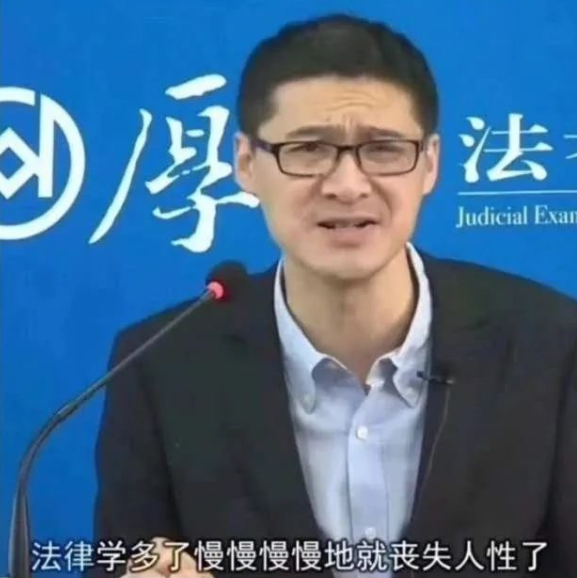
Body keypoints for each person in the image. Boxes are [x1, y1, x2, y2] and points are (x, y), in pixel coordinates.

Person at [91, 13, 577, 578]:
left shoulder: (549, 347)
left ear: (430, 164)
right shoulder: (159, 364)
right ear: (246, 164)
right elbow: (125, 560)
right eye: (308, 149)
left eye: (384, 149)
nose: (347, 185)